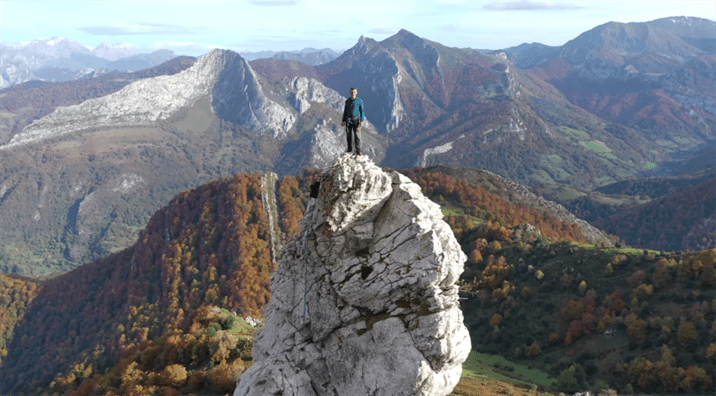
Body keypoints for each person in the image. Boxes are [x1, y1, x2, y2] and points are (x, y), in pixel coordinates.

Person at [341, 87, 364, 156]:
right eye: (351, 92)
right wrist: (343, 120)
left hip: (356, 120)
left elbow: (362, 111)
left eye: (354, 92)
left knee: (357, 136)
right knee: (349, 136)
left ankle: (358, 151)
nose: (352, 94)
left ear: (356, 93)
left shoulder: (359, 101)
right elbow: (345, 111)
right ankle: (349, 149)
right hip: (348, 121)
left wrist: (362, 120)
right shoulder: (347, 101)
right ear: (350, 93)